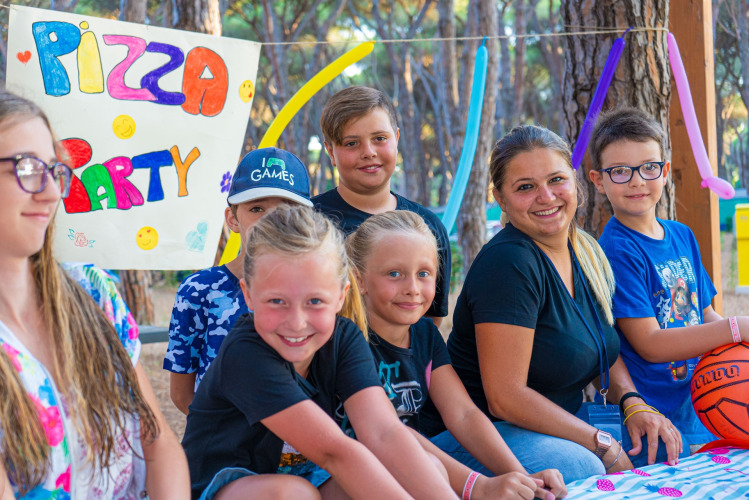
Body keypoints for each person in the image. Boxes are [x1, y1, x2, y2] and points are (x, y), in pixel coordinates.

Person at [444, 125, 682, 483]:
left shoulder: (584, 250)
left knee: (660, 441)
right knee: (581, 466)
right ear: (501, 199)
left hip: (557, 422)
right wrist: (601, 443)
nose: (546, 196)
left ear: (575, 183)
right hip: (484, 433)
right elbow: (505, 398)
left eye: (556, 180)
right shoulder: (509, 263)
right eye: (525, 187)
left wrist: (632, 403)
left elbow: (603, 346)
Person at [181, 205, 456, 500]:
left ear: (340, 296)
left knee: (426, 468)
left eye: (314, 301)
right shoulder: (245, 353)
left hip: (308, 477)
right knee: (294, 494)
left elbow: (384, 432)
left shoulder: (344, 338)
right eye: (276, 301)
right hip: (222, 488)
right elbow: (333, 452)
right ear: (248, 294)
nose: (297, 322)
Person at [0, 90, 188, 497]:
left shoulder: (93, 292)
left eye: (55, 170)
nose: (52, 193)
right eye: (27, 168)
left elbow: (157, 440)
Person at [345, 210, 567, 500]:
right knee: (433, 468)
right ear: (359, 279)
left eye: (423, 274)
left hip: (414, 457)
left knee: (571, 464)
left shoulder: (425, 333)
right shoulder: (347, 339)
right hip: (357, 467)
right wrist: (479, 486)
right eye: (394, 274)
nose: (412, 289)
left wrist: (523, 479)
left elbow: (463, 413)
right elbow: (389, 433)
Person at [587, 107, 749, 449]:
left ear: (664, 172)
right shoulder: (616, 250)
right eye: (620, 171)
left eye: (649, 167)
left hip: (706, 400)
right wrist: (736, 328)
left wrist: (739, 346)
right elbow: (650, 344)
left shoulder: (682, 235)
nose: (637, 181)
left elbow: (705, 314)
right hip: (654, 417)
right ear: (598, 181)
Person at [164, 147, 313, 414]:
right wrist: (224, 432)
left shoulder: (320, 292)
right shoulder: (198, 290)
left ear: (308, 220)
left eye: (287, 209)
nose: (271, 220)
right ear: (232, 219)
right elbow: (181, 393)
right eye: (257, 208)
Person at [313, 86, 450, 326]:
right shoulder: (308, 222)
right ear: (330, 152)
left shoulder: (428, 226)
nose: (368, 152)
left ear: (396, 139)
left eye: (379, 139)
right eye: (351, 143)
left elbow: (430, 320)